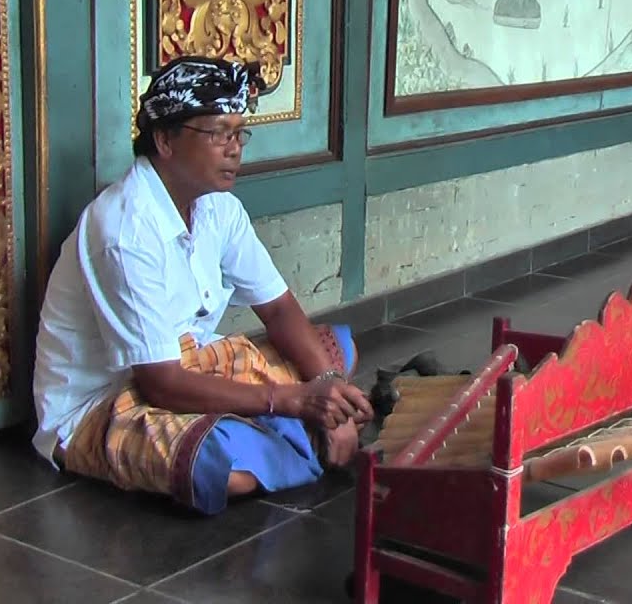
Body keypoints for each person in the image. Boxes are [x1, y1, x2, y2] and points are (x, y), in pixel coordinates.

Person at [31, 55, 374, 515]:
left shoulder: (218, 207)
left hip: (193, 365)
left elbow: (278, 309)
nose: (234, 149)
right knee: (224, 471)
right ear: (165, 140)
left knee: (336, 352)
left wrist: (326, 384)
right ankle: (293, 434)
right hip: (109, 402)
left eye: (239, 133)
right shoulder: (125, 230)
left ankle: (294, 433)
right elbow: (162, 384)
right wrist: (293, 400)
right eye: (217, 134)